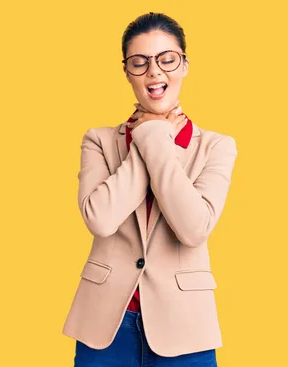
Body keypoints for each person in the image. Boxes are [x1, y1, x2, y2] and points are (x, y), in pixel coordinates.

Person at [62, 12, 238, 367]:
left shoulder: (217, 147)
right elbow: (100, 218)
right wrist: (153, 137)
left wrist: (153, 139)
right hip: (106, 325)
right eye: (139, 63)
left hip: (185, 326)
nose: (154, 72)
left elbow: (193, 228)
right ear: (127, 72)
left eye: (166, 59)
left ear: (184, 65)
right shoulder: (98, 141)